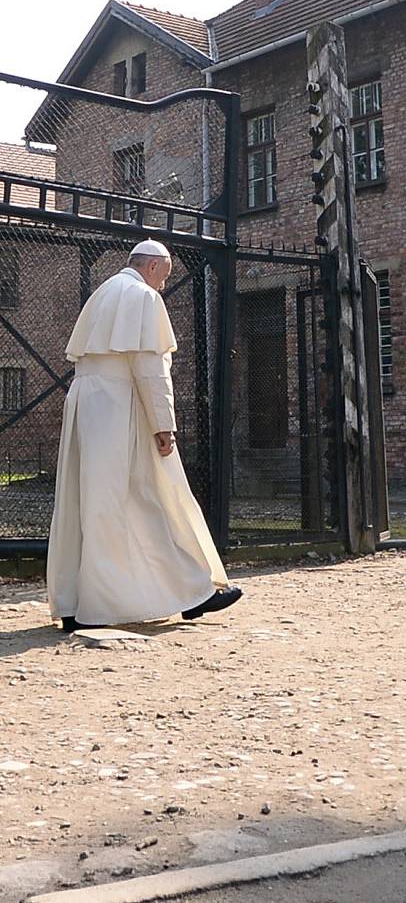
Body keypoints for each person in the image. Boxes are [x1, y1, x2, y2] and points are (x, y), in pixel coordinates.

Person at [46, 240, 240, 631]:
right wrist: (163, 425)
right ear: (152, 267)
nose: (163, 288)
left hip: (86, 404)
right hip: (121, 408)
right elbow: (151, 369)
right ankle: (193, 594)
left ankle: (74, 603)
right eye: (164, 278)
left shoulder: (103, 292)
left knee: (86, 504)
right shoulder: (142, 297)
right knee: (154, 498)